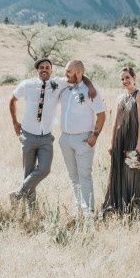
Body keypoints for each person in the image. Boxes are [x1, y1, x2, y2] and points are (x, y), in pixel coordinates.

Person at [9, 58, 96, 206]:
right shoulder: (27, 84)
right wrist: (15, 123)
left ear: (51, 70)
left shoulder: (59, 83)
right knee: (29, 172)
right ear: (37, 69)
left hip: (46, 137)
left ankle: (18, 194)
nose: (44, 69)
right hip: (28, 135)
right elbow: (12, 100)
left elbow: (79, 76)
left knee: (44, 169)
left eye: (47, 67)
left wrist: (91, 86)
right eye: (41, 67)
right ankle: (32, 209)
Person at [58, 60, 106, 216]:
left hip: (83, 139)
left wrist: (95, 136)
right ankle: (79, 208)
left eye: (68, 71)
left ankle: (89, 212)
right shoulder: (64, 88)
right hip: (65, 139)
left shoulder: (90, 91)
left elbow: (101, 115)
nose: (65, 74)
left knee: (84, 175)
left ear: (78, 73)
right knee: (73, 176)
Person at [102, 67, 140, 214]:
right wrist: (112, 143)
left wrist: (139, 142)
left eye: (127, 77)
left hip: (134, 140)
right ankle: (120, 206)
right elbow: (116, 122)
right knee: (120, 171)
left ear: (134, 78)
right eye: (122, 79)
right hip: (121, 140)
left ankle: (135, 206)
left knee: (133, 170)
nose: (125, 81)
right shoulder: (120, 98)